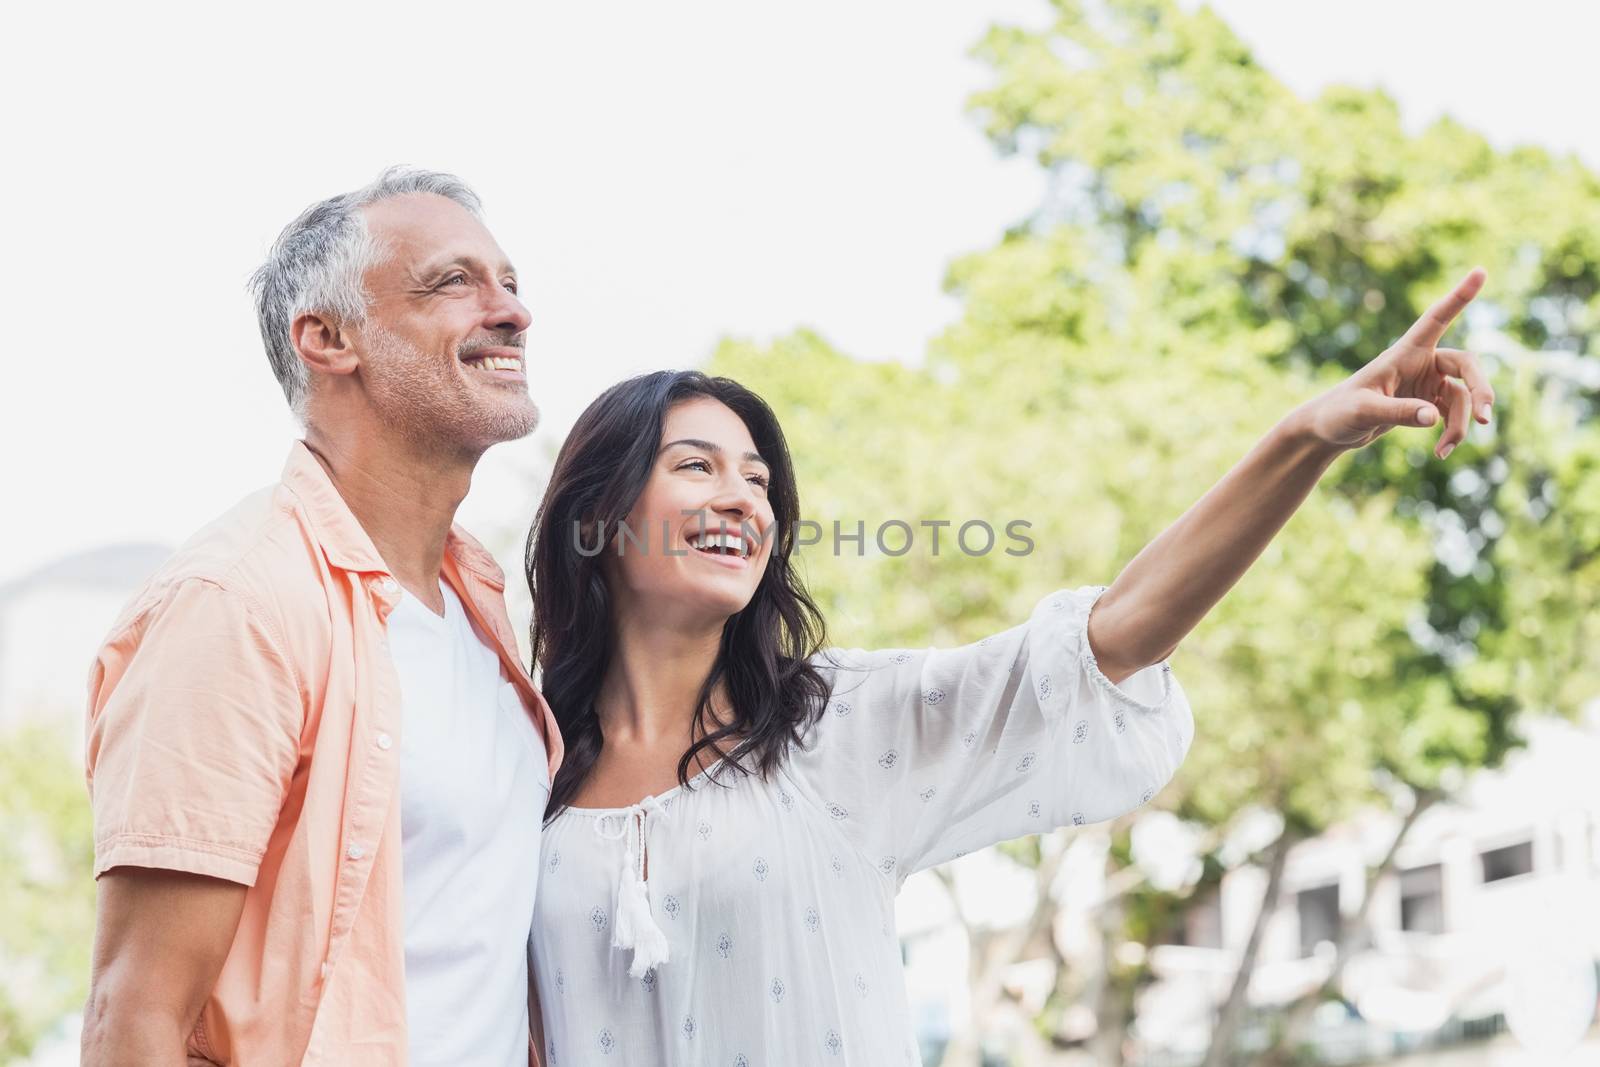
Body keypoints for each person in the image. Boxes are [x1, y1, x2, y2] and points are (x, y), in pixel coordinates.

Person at [523, 270, 1494, 1065]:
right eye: (696, 465)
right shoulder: (524, 767)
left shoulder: (837, 729)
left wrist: (1301, 439)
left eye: (757, 477)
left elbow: (1107, 640)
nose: (740, 495)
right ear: (598, 513)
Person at [80, 167, 562, 1067]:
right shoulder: (238, 605)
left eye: (510, 282)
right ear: (329, 338)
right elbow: (133, 1016)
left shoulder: (479, 607)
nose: (511, 312)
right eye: (454, 281)